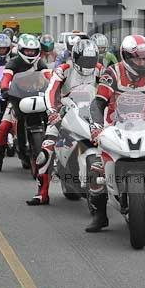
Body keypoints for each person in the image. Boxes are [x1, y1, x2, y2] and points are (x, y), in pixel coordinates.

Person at [85, 34, 145, 232]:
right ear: (125, 56)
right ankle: (99, 215)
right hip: (115, 124)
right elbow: (98, 102)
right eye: (138, 57)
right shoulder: (112, 73)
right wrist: (96, 127)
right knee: (94, 165)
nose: (143, 62)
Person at [29, 39, 101, 205]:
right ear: (75, 57)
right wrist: (52, 111)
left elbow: (110, 90)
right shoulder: (63, 69)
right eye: (84, 60)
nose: (88, 63)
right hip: (64, 113)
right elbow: (50, 91)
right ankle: (42, 193)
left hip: (93, 114)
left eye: (91, 60)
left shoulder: (100, 70)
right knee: (45, 151)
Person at [0, 34, 48, 172]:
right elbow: (6, 77)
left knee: (54, 122)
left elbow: (48, 77)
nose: (30, 53)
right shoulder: (13, 63)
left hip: (38, 98)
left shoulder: (40, 63)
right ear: (21, 50)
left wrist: (55, 90)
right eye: (27, 51)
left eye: (33, 51)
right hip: (17, 99)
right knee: (3, 127)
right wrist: (4, 88)